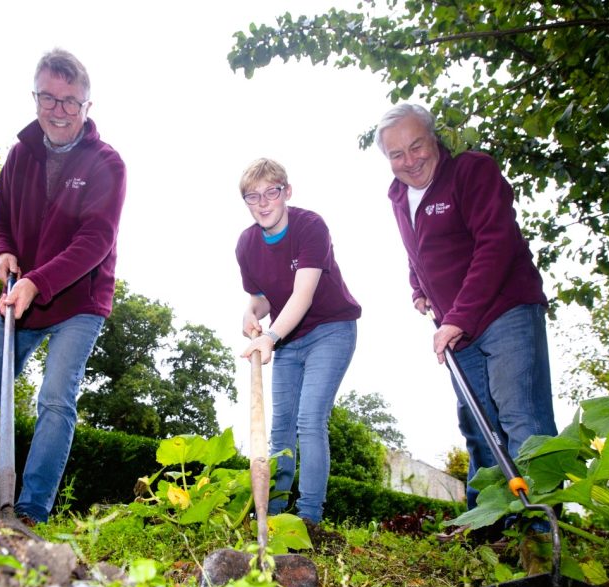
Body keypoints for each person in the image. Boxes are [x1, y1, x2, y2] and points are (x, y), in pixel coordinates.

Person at [0, 48, 126, 525]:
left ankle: (29, 513)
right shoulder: (20, 154)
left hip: (79, 299)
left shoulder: (106, 164)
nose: (59, 110)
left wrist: (36, 281)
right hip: (21, 293)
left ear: (87, 106)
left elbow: (96, 240)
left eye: (71, 101)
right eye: (48, 98)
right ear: (35, 98)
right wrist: (1, 253)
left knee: (54, 396)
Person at [374, 103, 557, 537]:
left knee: (521, 419)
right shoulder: (399, 195)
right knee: (479, 426)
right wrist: (418, 286)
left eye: (416, 145)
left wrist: (458, 316)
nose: (409, 160)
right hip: (457, 327)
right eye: (396, 154)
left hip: (505, 308)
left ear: (433, 138)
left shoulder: (472, 172)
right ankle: (487, 526)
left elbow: (497, 244)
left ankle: (539, 529)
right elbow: (416, 250)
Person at [235, 159, 361, 526]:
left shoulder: (310, 226)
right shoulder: (246, 244)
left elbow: (303, 294)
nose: (262, 203)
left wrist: (271, 336)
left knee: (309, 419)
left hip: (331, 329)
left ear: (286, 192)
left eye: (271, 192)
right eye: (252, 196)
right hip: (289, 339)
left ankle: (308, 520)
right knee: (281, 428)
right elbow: (263, 298)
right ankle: (272, 515)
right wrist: (250, 313)